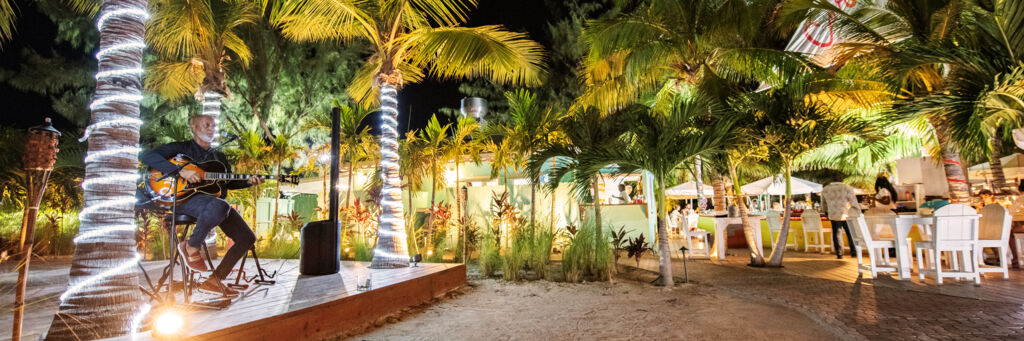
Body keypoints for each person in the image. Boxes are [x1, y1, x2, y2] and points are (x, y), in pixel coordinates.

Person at [140, 115, 263, 296]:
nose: (211, 128)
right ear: (194, 127)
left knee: (247, 237)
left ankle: (214, 281)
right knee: (220, 206)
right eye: (206, 125)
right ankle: (191, 245)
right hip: (183, 200)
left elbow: (227, 183)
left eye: (213, 125)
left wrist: (249, 181)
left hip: (213, 204)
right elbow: (147, 156)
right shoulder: (180, 149)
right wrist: (181, 171)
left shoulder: (218, 157)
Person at [820, 179, 860, 259]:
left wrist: (826, 212)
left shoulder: (826, 189)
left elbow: (823, 204)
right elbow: (853, 202)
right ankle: (854, 251)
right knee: (851, 233)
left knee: (836, 233)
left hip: (833, 214)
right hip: (846, 214)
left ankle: (839, 252)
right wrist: (858, 212)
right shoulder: (847, 187)